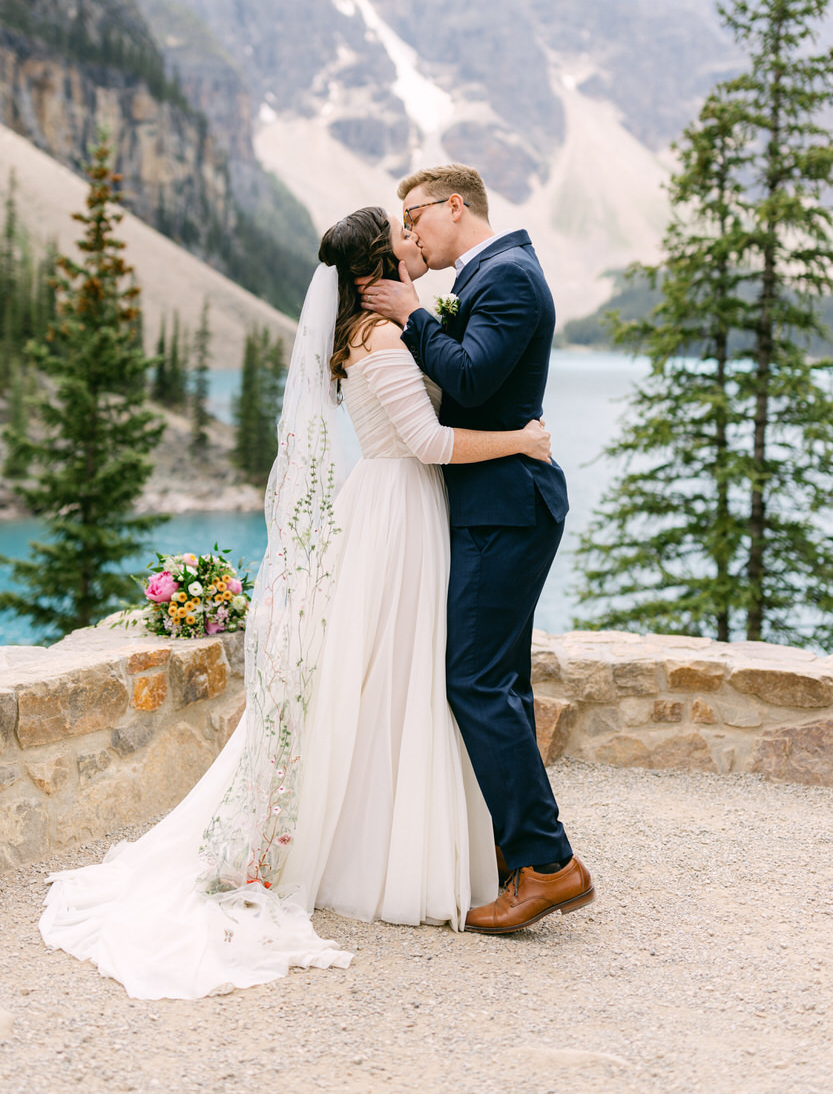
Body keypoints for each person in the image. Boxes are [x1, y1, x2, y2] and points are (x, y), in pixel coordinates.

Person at [39, 205, 556, 998]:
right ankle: (388, 853)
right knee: (398, 679)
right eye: (399, 241)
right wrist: (521, 440)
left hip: (394, 509)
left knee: (393, 677)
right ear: (369, 274)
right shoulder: (383, 336)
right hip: (400, 513)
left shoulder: (372, 332)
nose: (413, 246)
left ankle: (425, 841)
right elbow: (426, 443)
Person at [361, 163, 594, 933]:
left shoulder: (510, 277)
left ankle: (549, 864)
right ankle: (514, 854)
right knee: (501, 683)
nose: (410, 229)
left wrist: (411, 314)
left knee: (472, 682)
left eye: (413, 214)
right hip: (494, 507)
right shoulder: (491, 274)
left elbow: (469, 373)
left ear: (452, 206)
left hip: (505, 509)